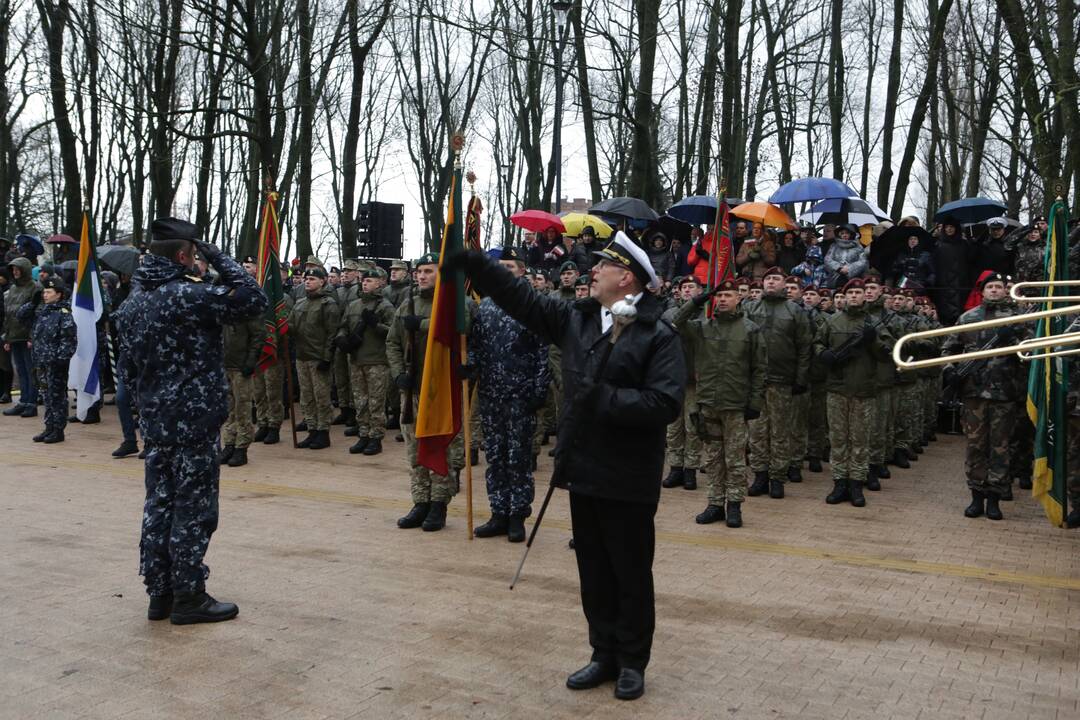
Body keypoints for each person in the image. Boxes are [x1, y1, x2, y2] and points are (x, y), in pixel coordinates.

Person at [444, 231, 685, 701]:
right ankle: (602, 654)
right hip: (582, 468)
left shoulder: (658, 334)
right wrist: (476, 264)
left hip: (629, 475)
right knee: (593, 570)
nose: (593, 272)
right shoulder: (576, 319)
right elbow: (522, 299)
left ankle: (632, 661)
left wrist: (605, 398)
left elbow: (664, 402)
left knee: (630, 573)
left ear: (627, 278)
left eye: (604, 266)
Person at [114, 217, 267, 624]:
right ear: (184, 256)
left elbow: (127, 370)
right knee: (193, 507)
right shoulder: (187, 295)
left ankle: (159, 593)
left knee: (158, 503)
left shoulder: (131, 303)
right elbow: (254, 299)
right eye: (195, 254)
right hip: (194, 420)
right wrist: (217, 255)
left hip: (156, 420)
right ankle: (188, 595)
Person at [470, 246, 549, 542]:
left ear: (522, 271)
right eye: (500, 267)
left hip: (521, 395)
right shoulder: (486, 305)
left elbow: (543, 350)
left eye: (510, 267)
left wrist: (539, 389)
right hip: (491, 394)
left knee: (518, 457)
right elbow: (476, 345)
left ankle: (518, 515)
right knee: (495, 455)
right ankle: (498, 512)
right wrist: (470, 367)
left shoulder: (534, 305)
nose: (504, 272)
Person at [673, 279, 764, 527]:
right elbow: (674, 322)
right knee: (713, 458)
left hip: (735, 404)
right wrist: (696, 301)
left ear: (739, 298)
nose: (722, 299)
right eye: (719, 296)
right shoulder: (703, 327)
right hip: (708, 402)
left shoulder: (750, 329)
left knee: (734, 459)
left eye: (728, 295)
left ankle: (734, 505)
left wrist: (754, 402)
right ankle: (715, 503)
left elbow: (759, 370)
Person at [387, 252, 467, 532]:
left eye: (429, 271)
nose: (422, 276)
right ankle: (420, 501)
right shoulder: (407, 303)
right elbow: (393, 343)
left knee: (441, 449)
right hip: (413, 391)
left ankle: (439, 504)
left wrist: (421, 324)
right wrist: (399, 374)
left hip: (442, 391)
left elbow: (460, 332)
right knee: (415, 449)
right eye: (419, 271)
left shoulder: (455, 304)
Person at [942, 272, 1029, 521]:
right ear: (982, 290)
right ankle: (976, 497)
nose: (994, 290)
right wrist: (952, 372)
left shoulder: (1019, 319)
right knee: (975, 446)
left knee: (1000, 447)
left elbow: (1031, 351)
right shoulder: (969, 318)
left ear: (1005, 290)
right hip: (974, 394)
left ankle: (995, 498)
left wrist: (1012, 339)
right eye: (990, 286)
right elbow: (949, 349)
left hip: (1005, 393)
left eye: (998, 287)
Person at [814, 278, 893, 506]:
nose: (855, 296)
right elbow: (818, 343)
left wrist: (873, 342)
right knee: (838, 438)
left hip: (863, 390)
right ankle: (840, 482)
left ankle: (857, 483)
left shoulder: (874, 323)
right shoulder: (832, 321)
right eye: (851, 293)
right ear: (845, 296)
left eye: (860, 292)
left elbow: (886, 353)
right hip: (837, 389)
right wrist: (824, 354)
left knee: (860, 439)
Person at [741, 267, 812, 498]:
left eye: (776, 279)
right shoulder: (750, 308)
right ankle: (760, 474)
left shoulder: (795, 311)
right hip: (755, 381)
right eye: (768, 278)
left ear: (784, 284)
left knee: (780, 430)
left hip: (782, 379)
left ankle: (777, 477)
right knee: (757, 431)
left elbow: (804, 347)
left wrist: (800, 378)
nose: (771, 282)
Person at [335, 269, 395, 455]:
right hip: (356, 359)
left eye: (369, 280)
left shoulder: (385, 306)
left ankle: (376, 437)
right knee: (360, 401)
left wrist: (376, 325)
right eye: (364, 280)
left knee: (376, 402)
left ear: (379, 283)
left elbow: (394, 333)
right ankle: (363, 434)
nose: (365, 283)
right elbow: (343, 326)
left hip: (377, 360)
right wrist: (342, 338)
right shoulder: (353, 305)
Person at [17, 277, 76, 443]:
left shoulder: (64, 314)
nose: (45, 295)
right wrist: (33, 303)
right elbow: (20, 317)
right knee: (46, 396)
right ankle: (49, 427)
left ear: (59, 295)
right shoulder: (41, 312)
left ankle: (58, 430)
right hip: (41, 363)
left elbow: (69, 340)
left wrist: (60, 360)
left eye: (49, 292)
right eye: (44, 292)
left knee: (57, 397)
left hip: (55, 364)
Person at [219, 260, 266, 468]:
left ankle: (241, 447)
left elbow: (258, 336)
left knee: (243, 407)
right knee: (229, 408)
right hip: (224, 364)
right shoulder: (222, 306)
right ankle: (229, 443)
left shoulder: (248, 305)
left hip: (241, 366)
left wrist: (250, 361)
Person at [288, 266, 341, 449]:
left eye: (312, 279)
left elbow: (332, 333)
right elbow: (291, 326)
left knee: (321, 396)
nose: (308, 282)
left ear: (322, 281)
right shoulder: (300, 303)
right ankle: (312, 429)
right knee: (307, 396)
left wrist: (327, 358)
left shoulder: (328, 304)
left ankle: (323, 432)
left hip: (318, 357)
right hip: (302, 356)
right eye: (306, 279)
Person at [662, 275, 703, 491]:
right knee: (673, 427)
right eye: (684, 287)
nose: (687, 290)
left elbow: (693, 330)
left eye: (692, 287)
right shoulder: (669, 312)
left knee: (693, 425)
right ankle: (675, 467)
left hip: (696, 380)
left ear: (700, 290)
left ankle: (691, 470)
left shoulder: (707, 314)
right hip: (673, 378)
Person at [2, 256, 42, 418]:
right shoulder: (12, 289)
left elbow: (38, 314)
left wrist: (32, 337)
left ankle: (31, 403)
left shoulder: (36, 288)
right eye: (13, 269)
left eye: (18, 269)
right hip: (15, 336)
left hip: (27, 337)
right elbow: (8, 314)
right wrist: (7, 337)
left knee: (30, 370)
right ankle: (23, 401)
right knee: (21, 370)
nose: (15, 272)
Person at [931, 217, 970, 325]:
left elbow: (969, 262)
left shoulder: (964, 244)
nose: (949, 229)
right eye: (947, 227)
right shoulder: (938, 245)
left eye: (952, 227)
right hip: (943, 284)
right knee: (944, 312)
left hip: (960, 283)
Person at [823, 224, 868, 288]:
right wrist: (839, 268)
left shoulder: (858, 247)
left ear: (851, 234)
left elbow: (863, 261)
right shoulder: (834, 246)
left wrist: (849, 269)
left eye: (847, 233)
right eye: (842, 233)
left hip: (853, 279)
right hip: (836, 278)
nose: (844, 235)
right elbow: (827, 259)